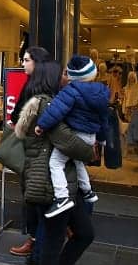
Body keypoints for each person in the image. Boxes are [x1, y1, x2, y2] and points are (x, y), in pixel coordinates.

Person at [14, 60, 96, 265]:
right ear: (52, 78)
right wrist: (89, 150)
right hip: (51, 184)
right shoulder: (47, 105)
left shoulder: (49, 103)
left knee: (82, 233)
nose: (67, 78)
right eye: (63, 74)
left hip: (58, 182)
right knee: (55, 238)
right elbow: (69, 142)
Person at [35, 55, 109, 218]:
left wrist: (41, 125)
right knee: (77, 161)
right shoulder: (102, 92)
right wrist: (102, 138)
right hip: (90, 137)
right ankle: (88, 191)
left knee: (55, 163)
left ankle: (62, 197)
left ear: (72, 75)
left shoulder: (70, 91)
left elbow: (55, 110)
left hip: (75, 136)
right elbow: (104, 119)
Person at [9, 45, 51, 257]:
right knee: (34, 195)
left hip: (36, 150)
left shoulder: (37, 89)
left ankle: (36, 241)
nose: (23, 64)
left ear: (37, 62)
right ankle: (38, 239)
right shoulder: (36, 85)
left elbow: (18, 115)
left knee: (34, 195)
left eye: (26, 60)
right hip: (35, 148)